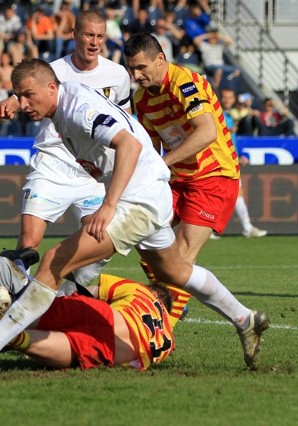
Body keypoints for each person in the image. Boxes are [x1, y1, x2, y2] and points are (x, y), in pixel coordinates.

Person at [0, 58, 269, 373]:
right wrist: (17, 102)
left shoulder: (78, 109)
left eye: (28, 95)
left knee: (53, 262)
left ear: (50, 87)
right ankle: (244, 318)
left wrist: (109, 204)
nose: (24, 103)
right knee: (173, 270)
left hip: (137, 199)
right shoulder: (63, 103)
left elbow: (128, 145)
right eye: (19, 95)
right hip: (149, 193)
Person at [0, 10, 130, 286]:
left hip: (91, 172)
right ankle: (13, 302)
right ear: (74, 33)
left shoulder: (118, 75)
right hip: (52, 163)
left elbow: (122, 121)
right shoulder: (55, 70)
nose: (94, 42)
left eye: (100, 36)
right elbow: (29, 91)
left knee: (102, 241)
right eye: (89, 35)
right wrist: (11, 103)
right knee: (28, 244)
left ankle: (64, 292)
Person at [124, 34, 241, 280]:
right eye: (131, 69)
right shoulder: (141, 99)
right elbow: (150, 149)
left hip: (214, 174)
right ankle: (164, 284)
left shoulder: (185, 83)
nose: (136, 76)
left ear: (160, 59)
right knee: (137, 228)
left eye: (141, 68)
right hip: (177, 178)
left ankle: (164, 310)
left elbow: (208, 132)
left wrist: (163, 163)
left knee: (181, 258)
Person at [0, 273, 175, 371]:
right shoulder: (169, 340)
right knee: (39, 344)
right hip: (119, 347)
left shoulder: (138, 290)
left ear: (151, 291)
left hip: (103, 313)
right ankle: (3, 335)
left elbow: (88, 291)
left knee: (33, 316)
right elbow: (135, 365)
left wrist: (59, 303)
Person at [220, 88, 268, 238]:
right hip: (219, 160)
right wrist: (226, 130)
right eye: (225, 97)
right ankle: (246, 227)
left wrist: (238, 155)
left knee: (236, 194)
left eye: (230, 97)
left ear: (234, 99)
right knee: (230, 194)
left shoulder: (229, 115)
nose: (227, 100)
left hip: (230, 159)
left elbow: (230, 141)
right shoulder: (216, 113)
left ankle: (247, 227)